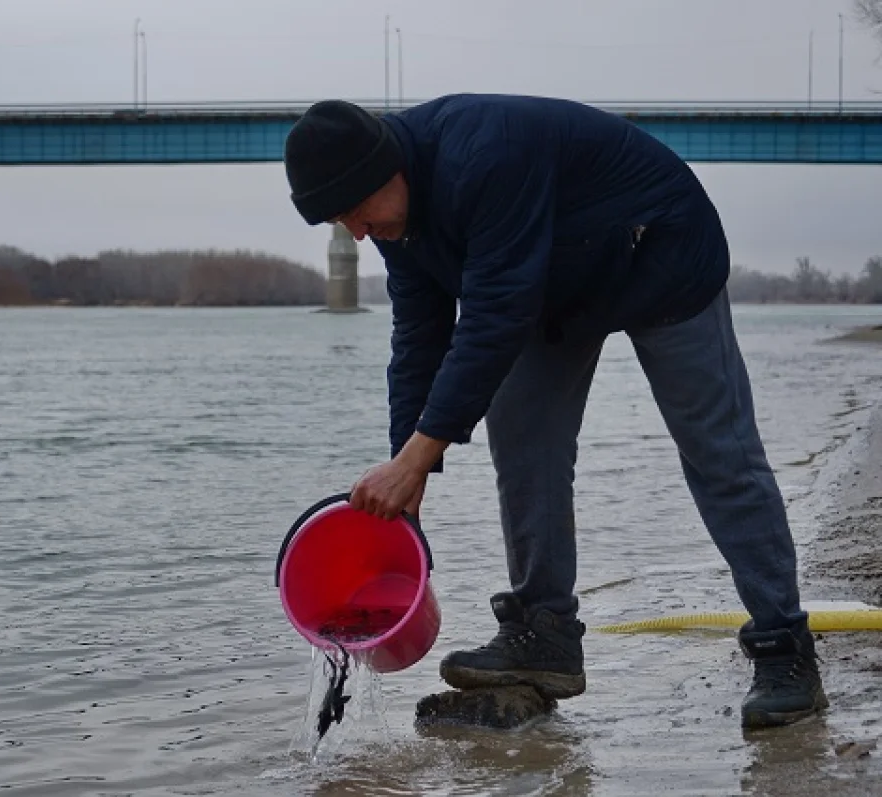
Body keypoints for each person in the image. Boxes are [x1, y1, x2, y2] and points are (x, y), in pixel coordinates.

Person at [281, 94, 827, 729]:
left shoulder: (485, 156)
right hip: (553, 282)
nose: (355, 231)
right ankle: (546, 632)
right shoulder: (396, 222)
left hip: (660, 251)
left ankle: (784, 646)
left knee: (718, 454)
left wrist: (419, 458)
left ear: (388, 167)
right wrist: (411, 467)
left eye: (354, 210)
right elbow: (419, 340)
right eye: (339, 221)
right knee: (523, 447)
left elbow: (490, 320)